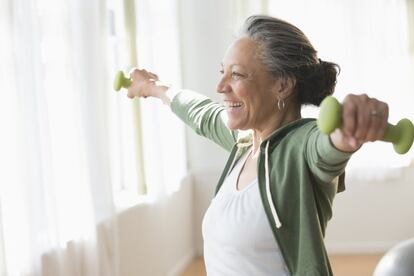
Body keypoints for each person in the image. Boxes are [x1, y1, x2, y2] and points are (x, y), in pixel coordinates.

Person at [125, 15, 389, 276]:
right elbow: (201, 114)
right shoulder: (245, 142)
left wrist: (348, 132)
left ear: (282, 85)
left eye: (236, 74)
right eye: (222, 72)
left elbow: (325, 147)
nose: (220, 87)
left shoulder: (300, 147)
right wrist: (155, 88)